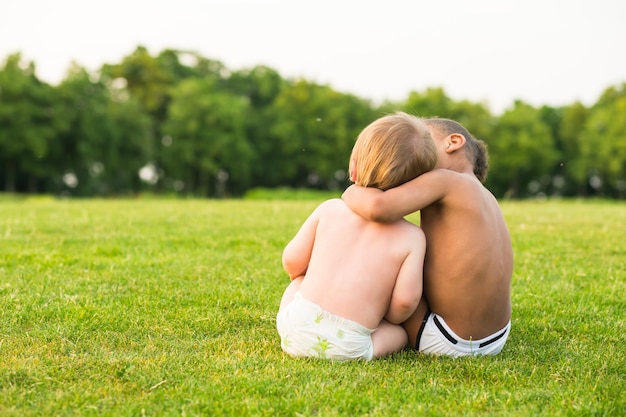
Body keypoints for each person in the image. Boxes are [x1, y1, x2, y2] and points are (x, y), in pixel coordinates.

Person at [342, 117, 513, 357]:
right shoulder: (485, 196)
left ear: (452, 142)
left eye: (423, 138)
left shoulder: (446, 180)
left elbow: (379, 208)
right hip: (496, 337)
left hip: (448, 339)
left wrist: (353, 188)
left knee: (388, 239)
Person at [276, 112, 438, 361]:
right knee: (400, 335)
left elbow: (292, 262)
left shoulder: (330, 209)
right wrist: (387, 317)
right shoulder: (412, 237)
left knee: (298, 282)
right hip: (348, 344)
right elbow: (405, 303)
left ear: (353, 167)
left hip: (294, 329)